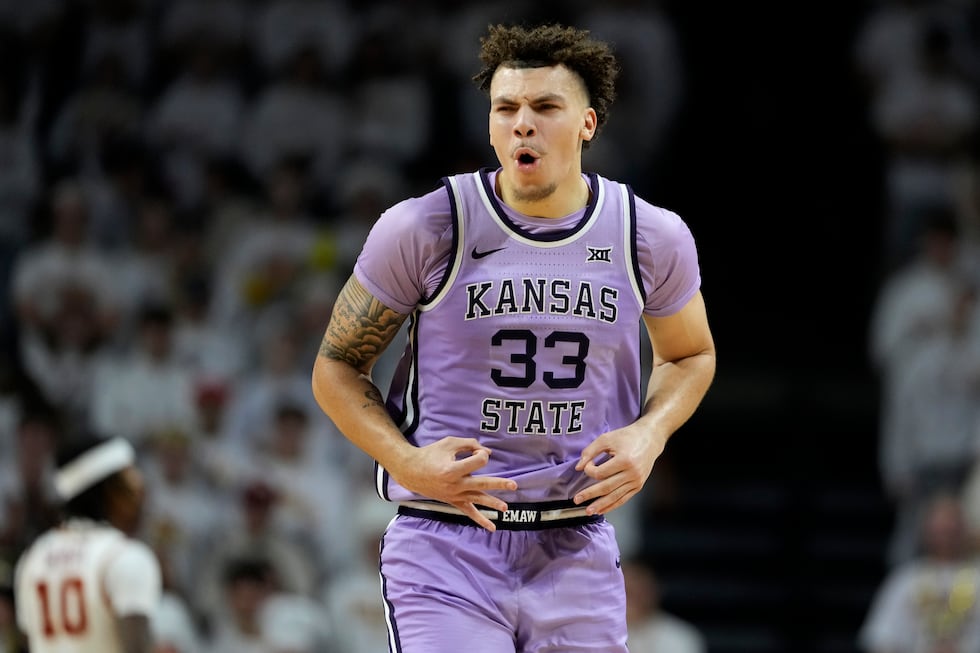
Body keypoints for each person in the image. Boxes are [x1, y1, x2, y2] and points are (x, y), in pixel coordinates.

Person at [310, 22, 716, 652]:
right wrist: (409, 462)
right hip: (447, 541)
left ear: (588, 123)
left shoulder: (650, 236)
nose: (522, 123)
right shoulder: (426, 226)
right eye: (506, 108)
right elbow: (335, 366)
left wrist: (649, 434)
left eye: (545, 107)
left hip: (575, 540)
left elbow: (691, 354)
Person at [13, 434, 162, 653]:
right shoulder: (126, 556)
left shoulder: (32, 557)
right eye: (130, 474)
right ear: (109, 488)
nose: (140, 485)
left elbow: (27, 642)